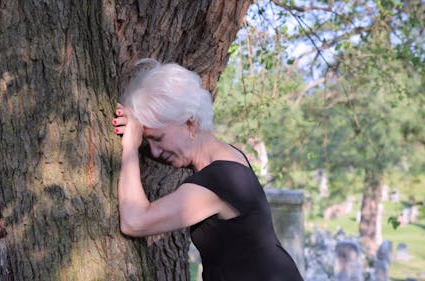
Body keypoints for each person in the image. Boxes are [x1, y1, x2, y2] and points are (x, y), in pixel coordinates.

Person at [112, 59, 303, 281]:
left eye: (158, 139)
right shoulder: (229, 159)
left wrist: (130, 148)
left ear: (191, 123)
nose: (154, 153)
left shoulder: (218, 181)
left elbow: (134, 222)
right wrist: (135, 130)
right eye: (147, 142)